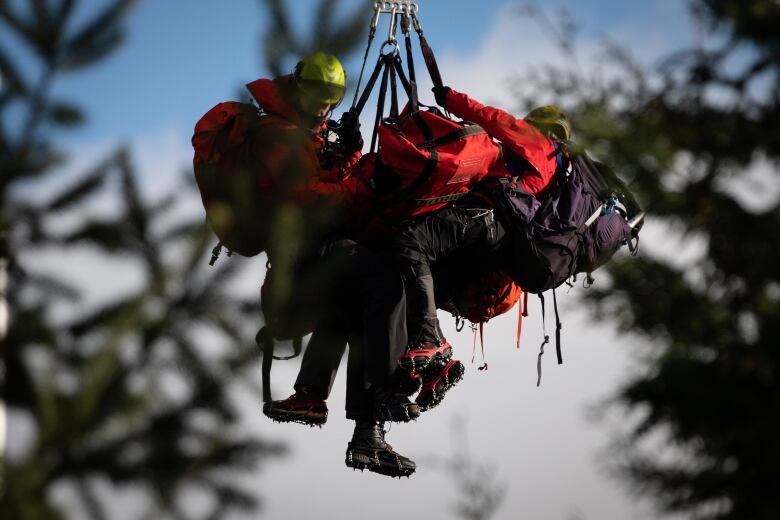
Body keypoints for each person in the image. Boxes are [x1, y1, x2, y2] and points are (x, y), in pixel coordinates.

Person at [393, 87, 569, 384]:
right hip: (499, 248)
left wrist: (448, 97)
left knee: (409, 242)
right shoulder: (560, 171)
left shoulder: (536, 142)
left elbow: (492, 118)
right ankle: (432, 370)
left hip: (483, 220)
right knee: (424, 285)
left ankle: (429, 341)